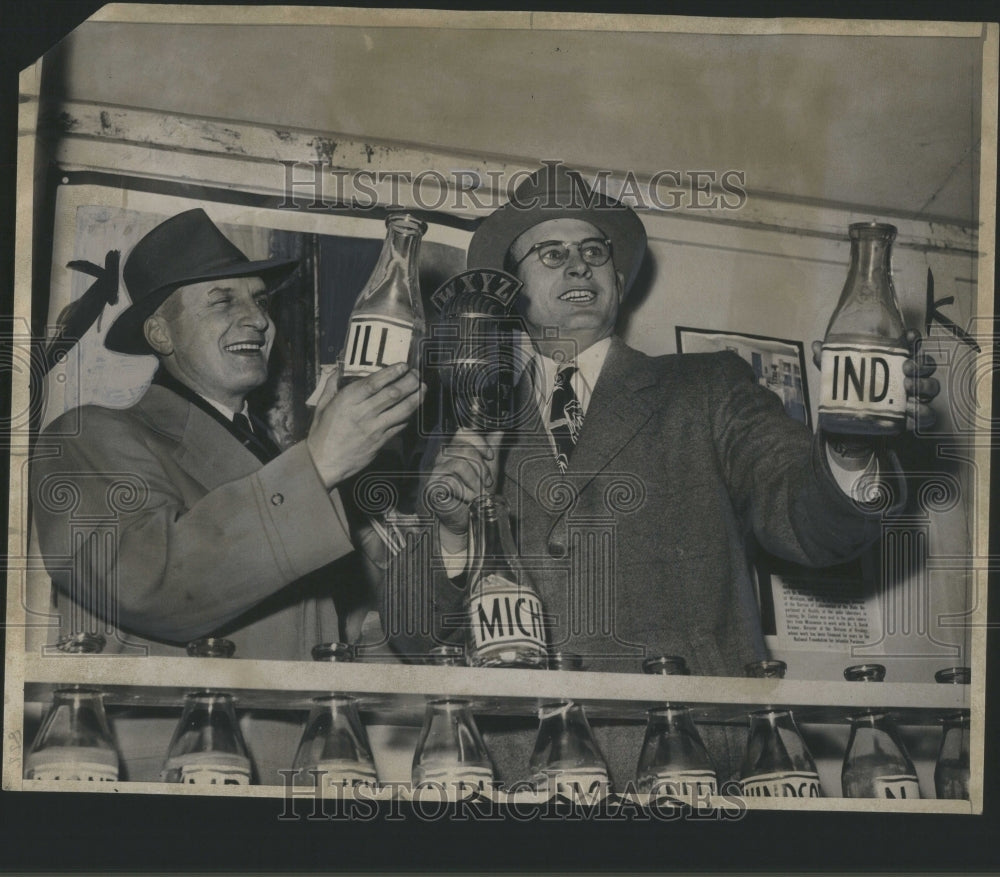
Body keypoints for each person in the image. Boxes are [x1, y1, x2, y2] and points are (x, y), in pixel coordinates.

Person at [382, 163, 939, 787]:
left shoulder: (707, 387)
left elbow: (810, 521)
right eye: (551, 253)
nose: (578, 265)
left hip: (696, 762)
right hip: (521, 775)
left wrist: (850, 444)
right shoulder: (467, 425)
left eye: (594, 252)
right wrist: (454, 535)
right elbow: (415, 633)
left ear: (617, 280)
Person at [32, 208, 424, 660]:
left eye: (260, 301)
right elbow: (147, 583)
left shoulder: (282, 460)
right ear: (161, 334)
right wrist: (318, 463)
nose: (258, 319)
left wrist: (453, 539)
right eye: (223, 301)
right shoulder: (86, 437)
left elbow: (362, 632)